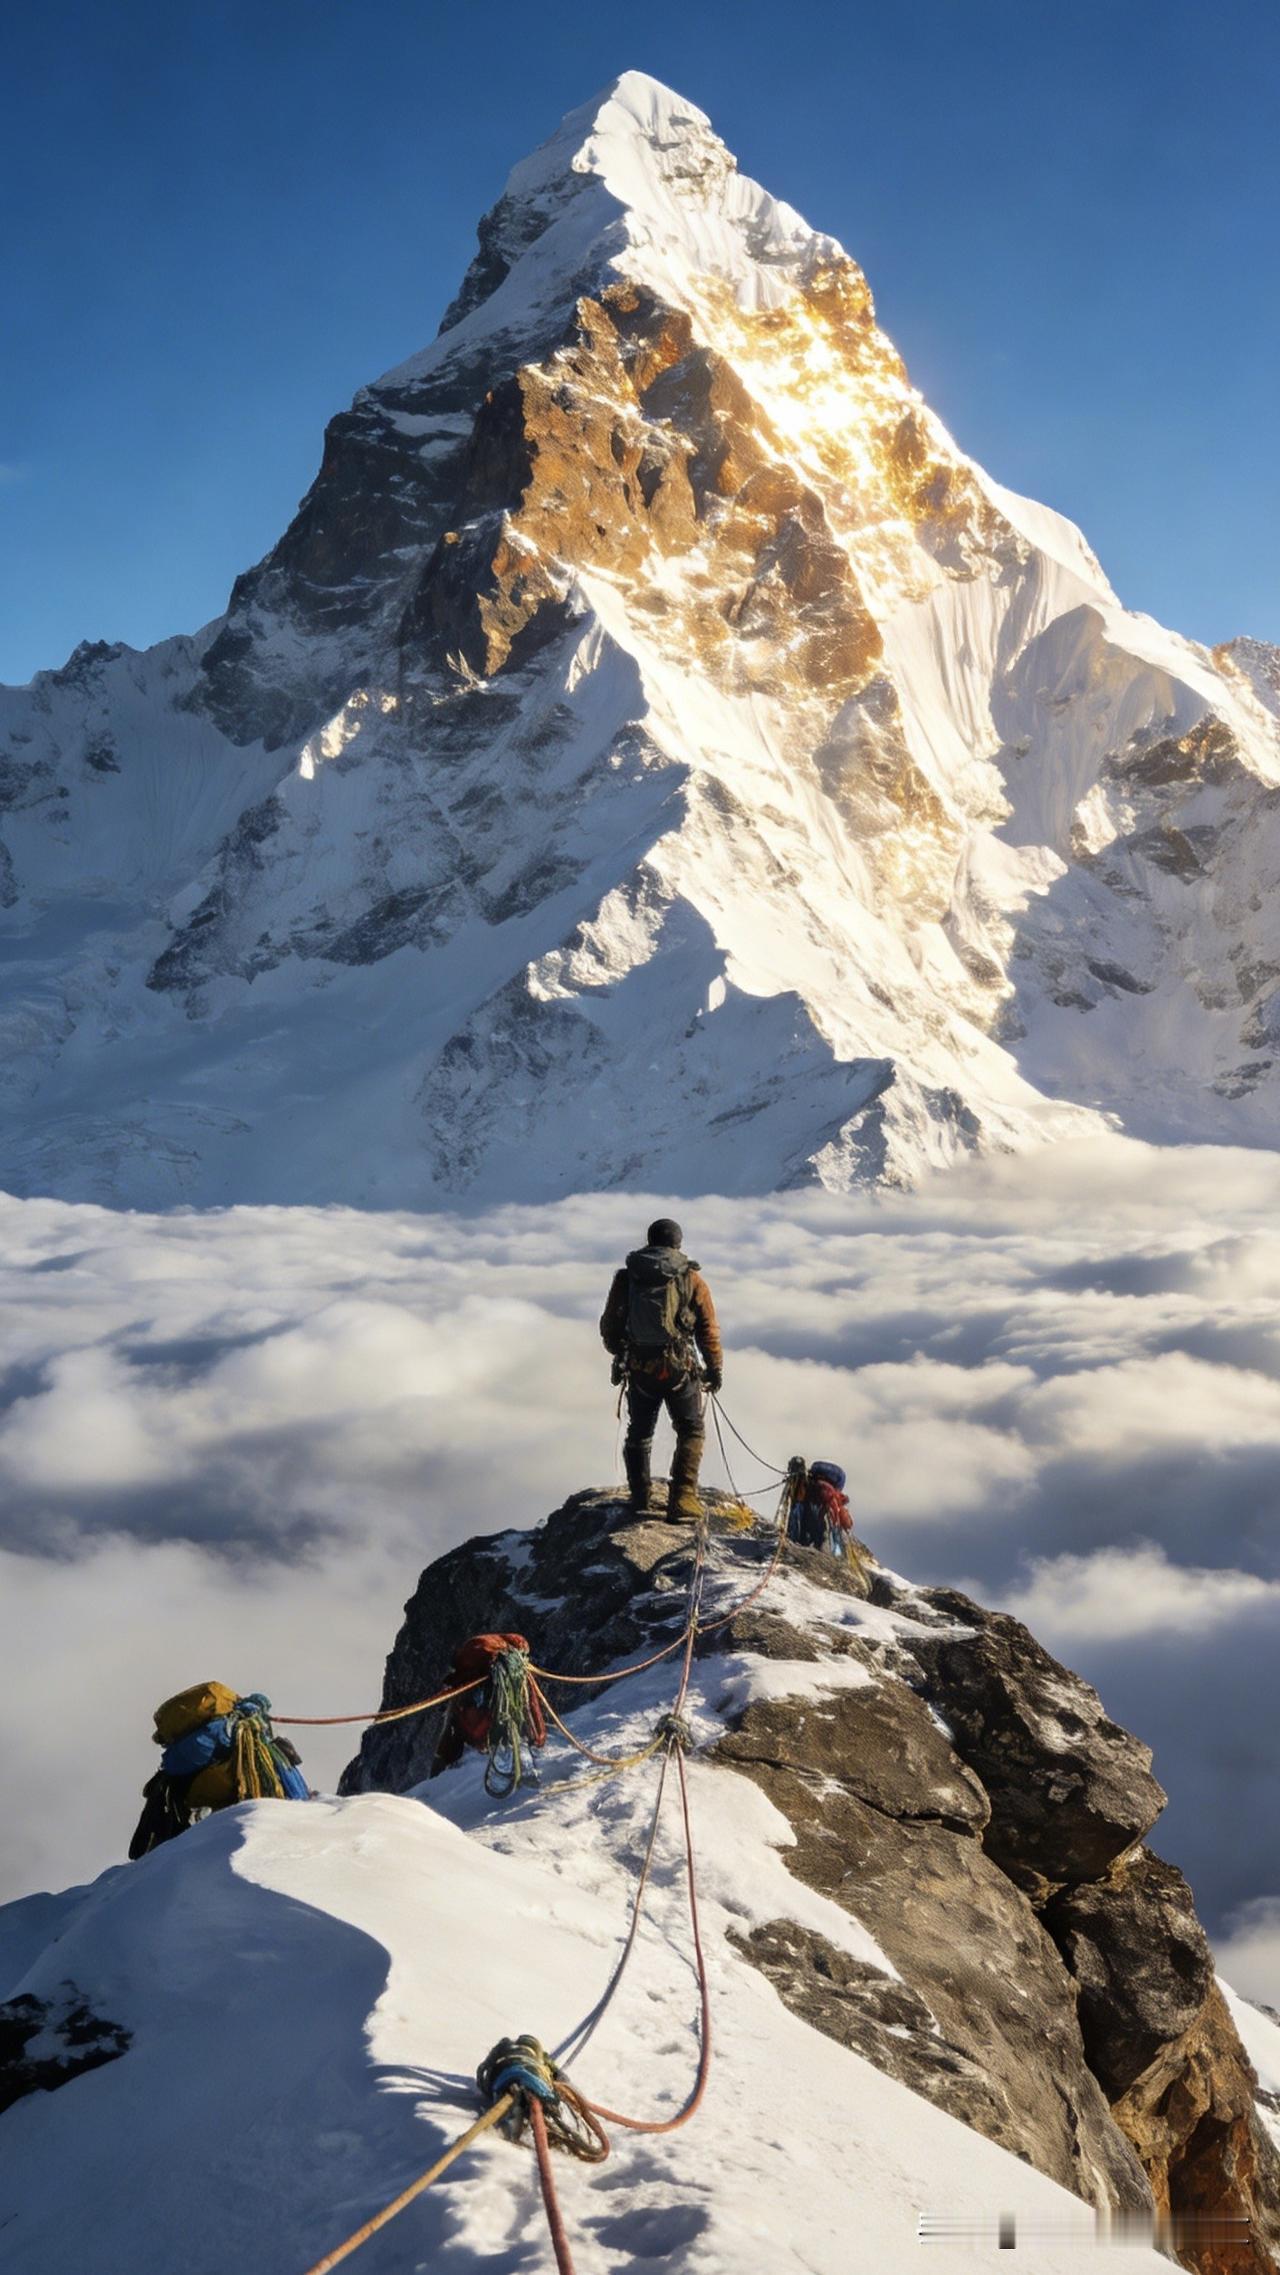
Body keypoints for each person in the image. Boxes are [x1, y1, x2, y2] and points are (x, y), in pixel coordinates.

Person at [600, 1218, 722, 1521]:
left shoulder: (627, 1278)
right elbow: (707, 1328)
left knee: (639, 1431)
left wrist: (621, 1352)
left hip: (640, 1368)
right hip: (679, 1369)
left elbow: (609, 1325)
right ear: (677, 1244)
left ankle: (640, 1497)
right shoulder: (691, 1279)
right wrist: (714, 1368)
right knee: (691, 1428)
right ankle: (682, 1499)